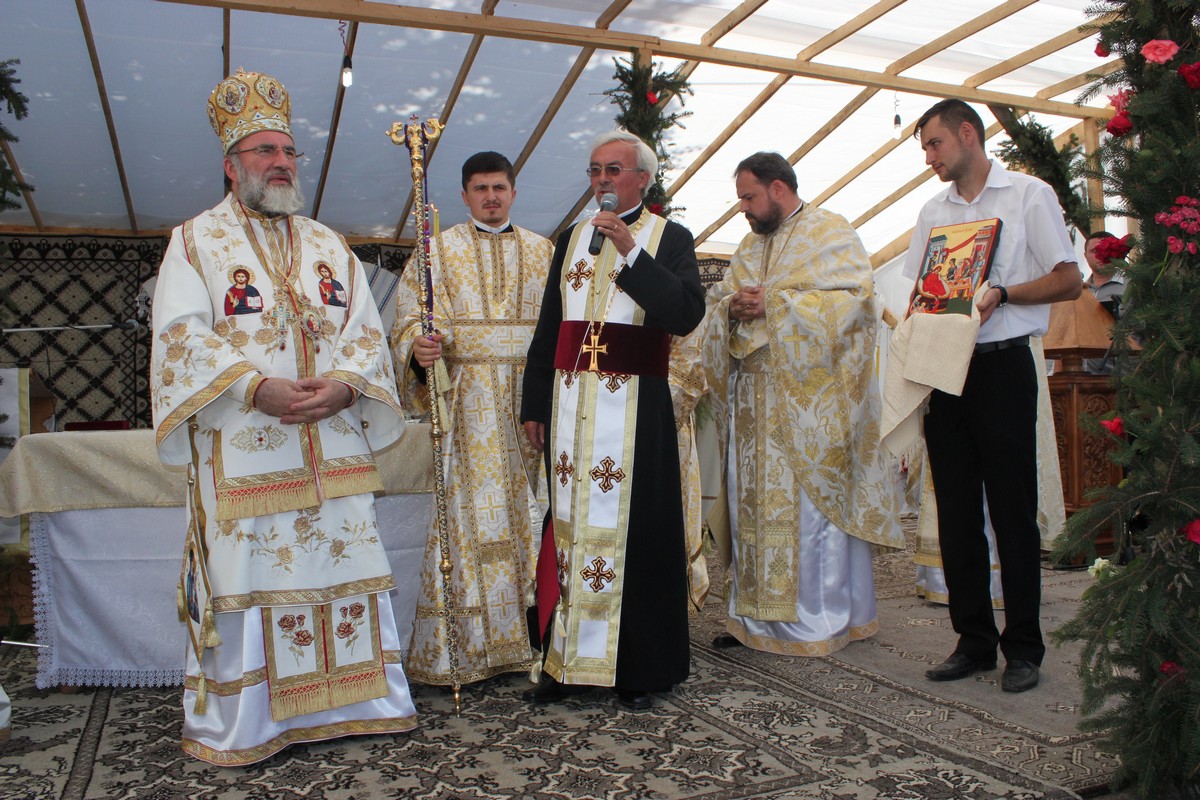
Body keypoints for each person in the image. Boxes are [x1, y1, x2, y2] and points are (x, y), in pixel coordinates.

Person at [151, 69, 417, 765]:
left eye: (288, 151)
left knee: (342, 570)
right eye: (264, 151)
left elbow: (366, 329)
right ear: (231, 165)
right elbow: (179, 332)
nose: (279, 163)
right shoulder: (194, 241)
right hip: (245, 447)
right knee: (252, 576)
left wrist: (349, 386)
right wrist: (250, 387)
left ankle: (359, 705)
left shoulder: (331, 245)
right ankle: (252, 725)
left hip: (330, 443)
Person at [520, 130, 704, 712]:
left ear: (643, 180)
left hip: (635, 415)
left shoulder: (667, 236)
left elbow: (683, 313)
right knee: (568, 531)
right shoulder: (572, 238)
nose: (602, 180)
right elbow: (550, 329)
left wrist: (629, 250)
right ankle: (564, 661)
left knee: (638, 534)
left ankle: (637, 668)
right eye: (595, 169)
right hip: (572, 409)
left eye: (614, 170)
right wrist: (533, 403)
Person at [905, 99, 1080, 693]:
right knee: (956, 512)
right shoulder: (933, 210)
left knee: (1011, 510)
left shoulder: (1029, 195)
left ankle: (1024, 648)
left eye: (934, 145)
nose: (929, 159)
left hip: (1005, 367)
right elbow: (923, 292)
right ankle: (974, 640)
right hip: (946, 367)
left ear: (967, 133)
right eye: (924, 150)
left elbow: (1070, 278)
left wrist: (1001, 293)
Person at [699, 152, 904, 656]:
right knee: (751, 511)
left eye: (749, 197)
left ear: (778, 189)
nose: (743, 208)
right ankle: (753, 620)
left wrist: (779, 305)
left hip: (809, 408)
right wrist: (730, 308)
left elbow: (857, 304)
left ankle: (818, 621)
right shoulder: (748, 245)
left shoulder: (830, 232)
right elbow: (720, 302)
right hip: (753, 407)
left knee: (807, 514)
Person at [390, 151, 552, 686]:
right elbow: (411, 316)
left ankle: (538, 638)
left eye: (499, 187)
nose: (491, 197)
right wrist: (419, 348)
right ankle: (474, 649)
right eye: (480, 188)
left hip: (530, 409)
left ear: (513, 190)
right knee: (470, 524)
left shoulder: (543, 251)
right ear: (464, 196)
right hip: (468, 411)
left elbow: (558, 330)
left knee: (535, 516)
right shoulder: (435, 253)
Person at [1083, 230, 1126, 374]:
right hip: (1084, 376)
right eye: (1094, 250)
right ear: (1085, 256)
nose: (1100, 255)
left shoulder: (1133, 286)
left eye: (1105, 250)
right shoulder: (1080, 291)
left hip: (1125, 377)